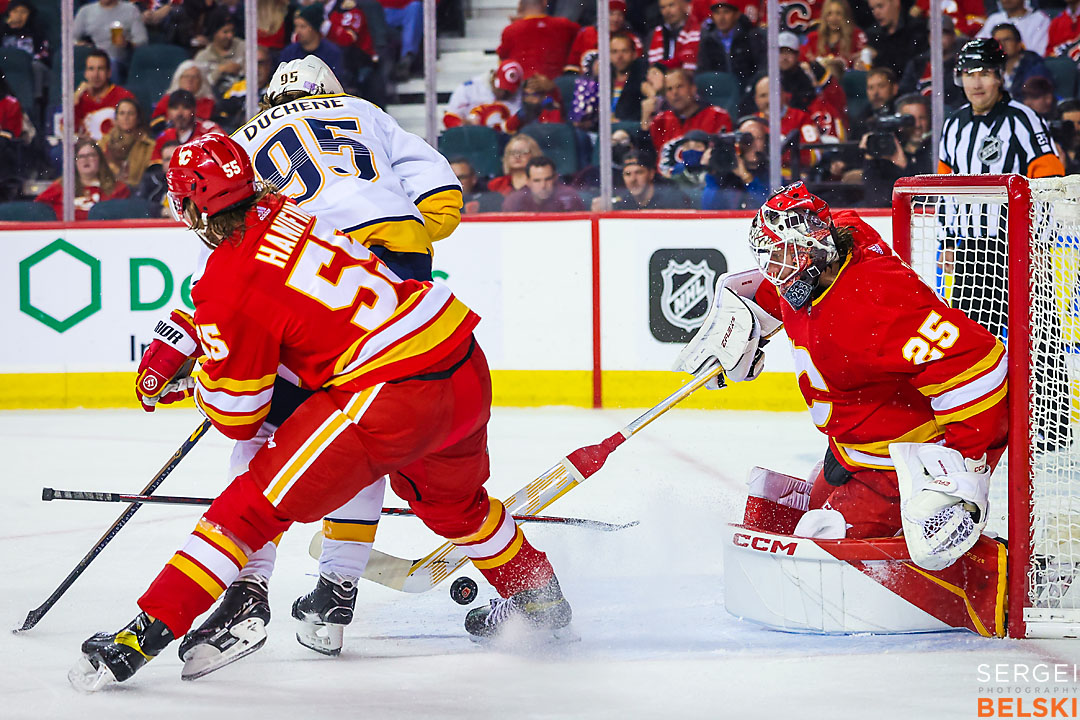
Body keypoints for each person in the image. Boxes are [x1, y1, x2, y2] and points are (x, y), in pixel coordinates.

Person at [70, 132, 573, 691]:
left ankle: (144, 635)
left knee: (248, 507)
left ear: (191, 203)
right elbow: (289, 299)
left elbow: (238, 413)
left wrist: (193, 380)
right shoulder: (288, 210)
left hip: (388, 393)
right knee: (458, 507)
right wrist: (200, 332)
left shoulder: (224, 278)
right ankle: (540, 601)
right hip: (456, 362)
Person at [161, 55, 468, 673]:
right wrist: (396, 236)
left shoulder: (244, 139)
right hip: (388, 277)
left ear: (272, 99)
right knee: (365, 425)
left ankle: (248, 587)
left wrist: (186, 335)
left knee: (272, 429)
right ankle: (336, 590)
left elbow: (232, 263)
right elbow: (441, 197)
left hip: (298, 273)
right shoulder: (364, 112)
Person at [676, 182, 1007, 570]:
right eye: (771, 258)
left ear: (815, 251)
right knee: (796, 520)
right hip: (850, 445)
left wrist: (964, 471)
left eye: (782, 257)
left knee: (818, 547)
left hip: (895, 461)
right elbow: (809, 255)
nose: (776, 273)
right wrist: (748, 321)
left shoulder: (876, 301)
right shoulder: (834, 243)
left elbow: (979, 366)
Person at [938, 38, 1069, 451]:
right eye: (969, 74)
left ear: (1000, 76)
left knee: (1037, 334)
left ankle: (1050, 428)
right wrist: (947, 241)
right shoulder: (952, 125)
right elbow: (945, 189)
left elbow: (1049, 177)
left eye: (984, 73)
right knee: (974, 343)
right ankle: (984, 423)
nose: (976, 82)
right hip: (968, 246)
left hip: (1015, 246)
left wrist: (1036, 238)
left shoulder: (1023, 118)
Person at [649, 67, 732, 176]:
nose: (674, 93)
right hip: (666, 188)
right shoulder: (659, 121)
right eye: (669, 89)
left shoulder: (717, 116)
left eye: (679, 86)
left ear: (693, 89)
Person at [36, 138, 131, 220]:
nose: (86, 159)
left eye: (91, 155)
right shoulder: (60, 187)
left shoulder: (118, 189)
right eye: (81, 156)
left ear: (100, 160)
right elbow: (37, 210)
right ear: (74, 162)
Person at [497, 0, 580, 82]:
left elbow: (503, 60)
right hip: (555, 87)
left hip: (523, 88)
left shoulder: (510, 30)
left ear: (520, 7)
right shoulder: (565, 25)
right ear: (545, 3)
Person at [696, 0, 765, 93]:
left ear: (736, 14)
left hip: (749, 93)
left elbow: (761, 67)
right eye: (717, 13)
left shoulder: (751, 36)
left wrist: (750, 88)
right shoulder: (708, 41)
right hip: (720, 94)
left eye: (726, 12)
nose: (721, 18)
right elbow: (704, 72)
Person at [73, 0, 148, 83]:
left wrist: (126, 44)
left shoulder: (130, 10)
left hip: (121, 61)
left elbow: (142, 41)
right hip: (95, 59)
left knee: (110, 64)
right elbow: (70, 38)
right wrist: (80, 44)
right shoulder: (86, 11)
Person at [701, 115, 768, 209]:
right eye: (747, 139)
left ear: (766, 142)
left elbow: (767, 207)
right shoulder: (724, 172)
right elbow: (708, 208)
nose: (752, 144)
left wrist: (746, 176)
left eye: (758, 138)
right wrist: (712, 171)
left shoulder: (772, 174)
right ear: (737, 142)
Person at [443, 59, 524, 133]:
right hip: (469, 137)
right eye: (501, 89)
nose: (503, 94)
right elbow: (449, 117)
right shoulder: (469, 88)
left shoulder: (519, 95)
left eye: (507, 91)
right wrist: (462, 124)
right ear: (494, 76)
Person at [564, 0, 643, 74]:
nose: (615, 19)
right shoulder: (585, 34)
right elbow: (572, 67)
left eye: (620, 14)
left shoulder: (632, 39)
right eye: (611, 13)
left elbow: (637, 71)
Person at [73, 49, 135, 141]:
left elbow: (133, 131)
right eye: (91, 69)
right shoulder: (80, 98)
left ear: (109, 73)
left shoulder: (124, 96)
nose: (95, 75)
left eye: (100, 69)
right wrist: (75, 97)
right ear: (85, 73)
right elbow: (66, 131)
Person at [601, 149, 695, 209]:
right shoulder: (622, 202)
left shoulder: (672, 199)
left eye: (639, 172)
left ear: (651, 174)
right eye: (628, 174)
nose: (633, 179)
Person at [151, 90, 224, 162]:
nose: (180, 113)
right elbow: (156, 168)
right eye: (175, 108)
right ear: (168, 112)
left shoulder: (209, 131)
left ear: (194, 110)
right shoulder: (164, 137)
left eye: (185, 107)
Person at [864, 0, 927, 81]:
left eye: (880, 6)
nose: (876, 12)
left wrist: (879, 57)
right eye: (873, 8)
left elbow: (914, 64)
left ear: (896, 2)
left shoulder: (916, 28)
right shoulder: (873, 34)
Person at [279, 4, 346, 80]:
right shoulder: (289, 52)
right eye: (296, 26)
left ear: (315, 27)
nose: (297, 31)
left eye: (302, 26)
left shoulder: (332, 53)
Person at [98, 97, 154, 186]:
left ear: (138, 118)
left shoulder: (148, 146)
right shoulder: (104, 143)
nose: (126, 118)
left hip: (133, 193)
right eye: (122, 113)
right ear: (116, 119)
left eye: (130, 113)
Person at [150, 61, 217, 133]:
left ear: (201, 81)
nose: (190, 80)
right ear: (178, 79)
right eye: (186, 76)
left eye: (194, 77)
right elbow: (154, 124)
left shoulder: (209, 102)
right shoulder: (167, 99)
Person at [798, 0, 866, 70]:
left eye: (838, 13)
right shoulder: (812, 37)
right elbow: (803, 60)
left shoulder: (856, 34)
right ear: (824, 17)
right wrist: (811, 62)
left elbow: (866, 54)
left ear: (845, 15)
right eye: (829, 14)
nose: (834, 18)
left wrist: (858, 56)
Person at [502, 156, 586, 211]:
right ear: (528, 182)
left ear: (555, 178)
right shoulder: (514, 201)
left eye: (547, 179)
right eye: (537, 180)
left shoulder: (570, 197)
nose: (543, 186)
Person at [991, 23, 1051, 97]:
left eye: (1007, 40)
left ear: (1019, 44)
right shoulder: (992, 69)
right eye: (997, 42)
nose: (1001, 45)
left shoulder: (1034, 67)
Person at [193, 9, 245, 93]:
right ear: (214, 33)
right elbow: (201, 88)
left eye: (232, 31)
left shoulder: (243, 47)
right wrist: (220, 70)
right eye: (225, 32)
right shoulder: (202, 56)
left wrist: (240, 69)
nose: (230, 36)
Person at [977, 0, 1050, 57]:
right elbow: (978, 46)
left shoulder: (1040, 19)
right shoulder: (994, 19)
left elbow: (1038, 53)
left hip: (1026, 68)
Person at [647, 0, 701, 71]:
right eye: (663, 7)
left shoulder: (698, 31)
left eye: (671, 5)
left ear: (684, 5)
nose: (667, 11)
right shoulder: (654, 34)